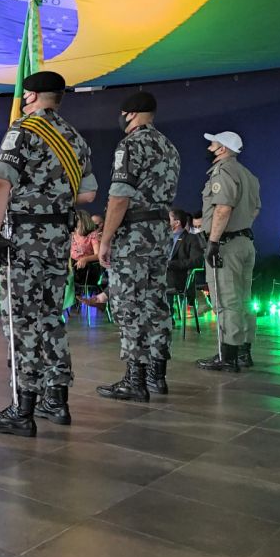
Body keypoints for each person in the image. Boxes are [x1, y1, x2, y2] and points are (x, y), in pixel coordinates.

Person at [0, 70, 96, 437]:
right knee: (49, 318)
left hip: (25, 238)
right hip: (58, 237)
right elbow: (88, 195)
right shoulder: (74, 137)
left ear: (29, 96)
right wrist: (52, 198)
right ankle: (56, 401)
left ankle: (22, 408)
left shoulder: (24, 130)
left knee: (21, 321)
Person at [96, 92, 181, 401]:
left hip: (133, 234)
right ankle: (157, 376)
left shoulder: (131, 145)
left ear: (129, 113)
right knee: (156, 304)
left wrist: (105, 239)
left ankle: (135, 381)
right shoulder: (168, 147)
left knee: (129, 305)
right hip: (159, 233)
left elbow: (120, 197)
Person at [196, 131, 261, 371]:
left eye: (212, 144)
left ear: (222, 149)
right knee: (244, 299)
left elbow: (223, 208)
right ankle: (244, 351)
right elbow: (255, 210)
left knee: (226, 300)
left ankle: (228, 355)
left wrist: (213, 241)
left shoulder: (223, 172)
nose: (210, 148)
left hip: (226, 245)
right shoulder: (249, 175)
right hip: (245, 242)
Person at [167, 208, 205, 292]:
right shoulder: (164, 239)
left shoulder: (191, 239)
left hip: (178, 279)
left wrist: (171, 264)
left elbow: (197, 261)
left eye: (168, 219)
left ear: (177, 223)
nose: (165, 221)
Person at [70, 209, 101, 288]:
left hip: (87, 267)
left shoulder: (92, 235)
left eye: (76, 219)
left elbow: (98, 255)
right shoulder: (71, 234)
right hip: (71, 266)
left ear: (82, 221)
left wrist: (85, 259)